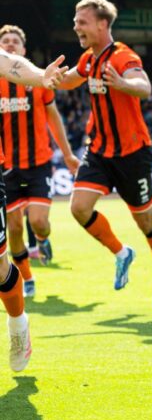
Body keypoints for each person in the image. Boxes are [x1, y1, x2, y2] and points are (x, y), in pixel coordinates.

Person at [56, 0, 152, 309]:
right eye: (75, 21)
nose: (76, 27)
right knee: (79, 208)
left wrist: (121, 82)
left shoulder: (123, 56)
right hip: (98, 150)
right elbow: (69, 81)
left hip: (132, 153)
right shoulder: (88, 59)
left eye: (82, 22)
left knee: (145, 221)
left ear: (102, 24)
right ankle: (122, 253)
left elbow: (144, 87)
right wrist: (47, 78)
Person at [0, 39, 66, 372]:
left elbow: (11, 64)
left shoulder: (10, 68)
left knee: (2, 262)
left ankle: (18, 326)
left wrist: (41, 76)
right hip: (11, 169)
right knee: (15, 228)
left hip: (27, 166)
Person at [0, 25, 80, 298]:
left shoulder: (37, 82)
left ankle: (43, 240)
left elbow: (53, 117)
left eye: (15, 42)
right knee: (13, 226)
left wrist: (67, 154)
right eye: (5, 41)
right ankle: (27, 277)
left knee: (38, 222)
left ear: (23, 50)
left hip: (38, 163)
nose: (10, 44)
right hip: (6, 166)